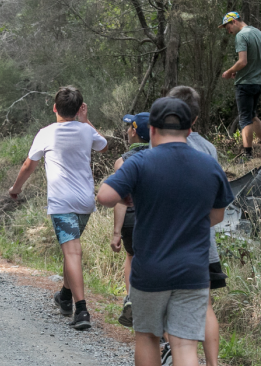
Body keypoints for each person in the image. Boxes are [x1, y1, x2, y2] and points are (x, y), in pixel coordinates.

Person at [97, 97, 234, 366]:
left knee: (147, 336)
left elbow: (104, 196)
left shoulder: (139, 162)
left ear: (153, 130)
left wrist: (127, 196)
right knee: (184, 345)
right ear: (189, 129)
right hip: (193, 270)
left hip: (150, 269)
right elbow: (217, 215)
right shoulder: (209, 164)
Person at [8, 86, 107, 330]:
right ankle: (64, 295)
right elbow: (102, 145)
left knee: (72, 252)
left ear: (55, 108)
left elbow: (29, 165)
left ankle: (81, 309)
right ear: (79, 109)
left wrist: (15, 189)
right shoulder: (86, 131)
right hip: (85, 203)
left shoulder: (46, 133)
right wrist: (86, 121)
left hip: (62, 203)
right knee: (70, 250)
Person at [161, 85, 228, 366]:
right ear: (197, 119)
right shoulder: (209, 148)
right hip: (205, 242)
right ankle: (212, 363)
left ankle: (173, 354)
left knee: (168, 304)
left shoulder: (166, 144)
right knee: (206, 305)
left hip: (173, 242)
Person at [110, 112, 150, 328]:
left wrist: (116, 232)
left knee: (131, 256)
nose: (126, 131)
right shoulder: (160, 156)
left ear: (134, 132)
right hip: (153, 217)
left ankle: (132, 298)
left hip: (131, 219)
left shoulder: (123, 162)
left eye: (128, 127)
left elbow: (119, 199)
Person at [220, 11, 261, 160]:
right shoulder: (257, 32)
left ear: (234, 22)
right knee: (253, 115)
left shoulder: (241, 35)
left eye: (228, 27)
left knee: (245, 119)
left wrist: (229, 71)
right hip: (258, 82)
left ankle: (247, 155)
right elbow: (253, 61)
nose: (228, 31)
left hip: (245, 84)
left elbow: (242, 61)